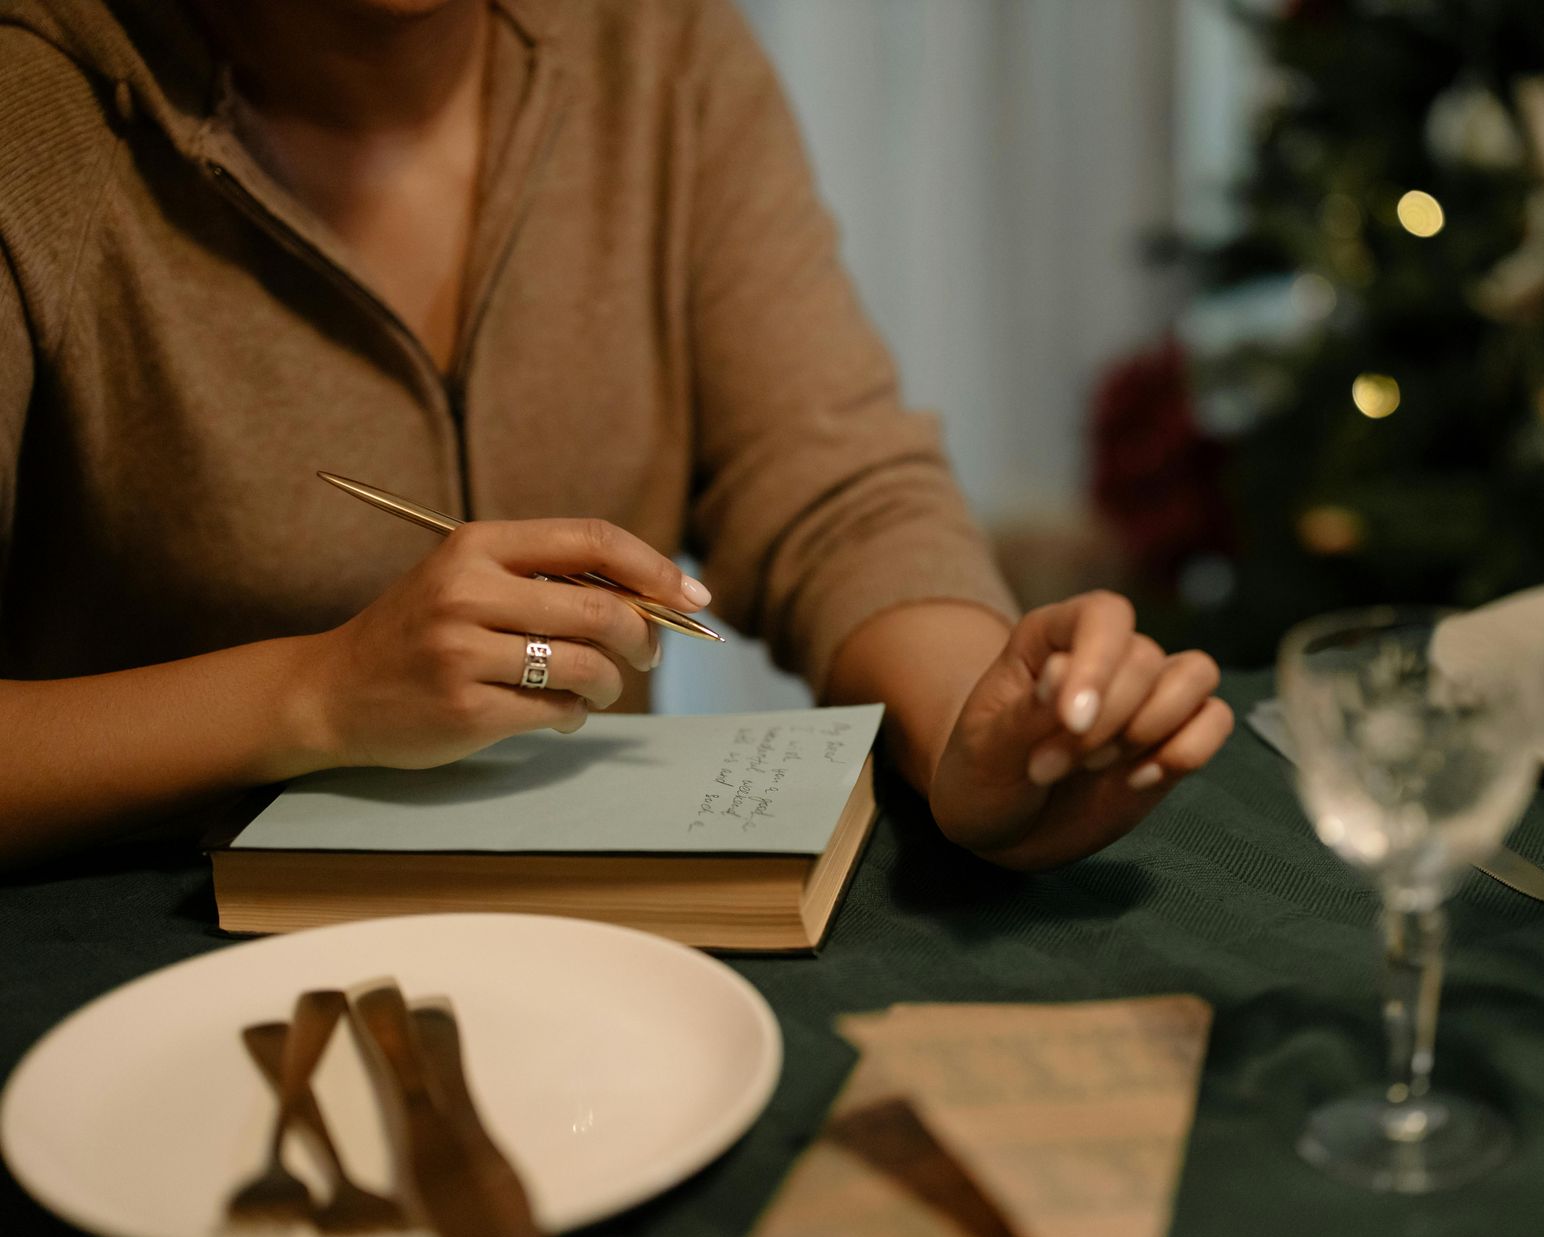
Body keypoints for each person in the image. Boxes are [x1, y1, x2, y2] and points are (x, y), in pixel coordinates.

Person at [0, 0, 1231, 870]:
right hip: (132, 990)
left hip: (596, 953)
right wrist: (313, 694)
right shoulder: (32, 111)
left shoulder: (663, 53)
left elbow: (832, 488)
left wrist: (973, 722)